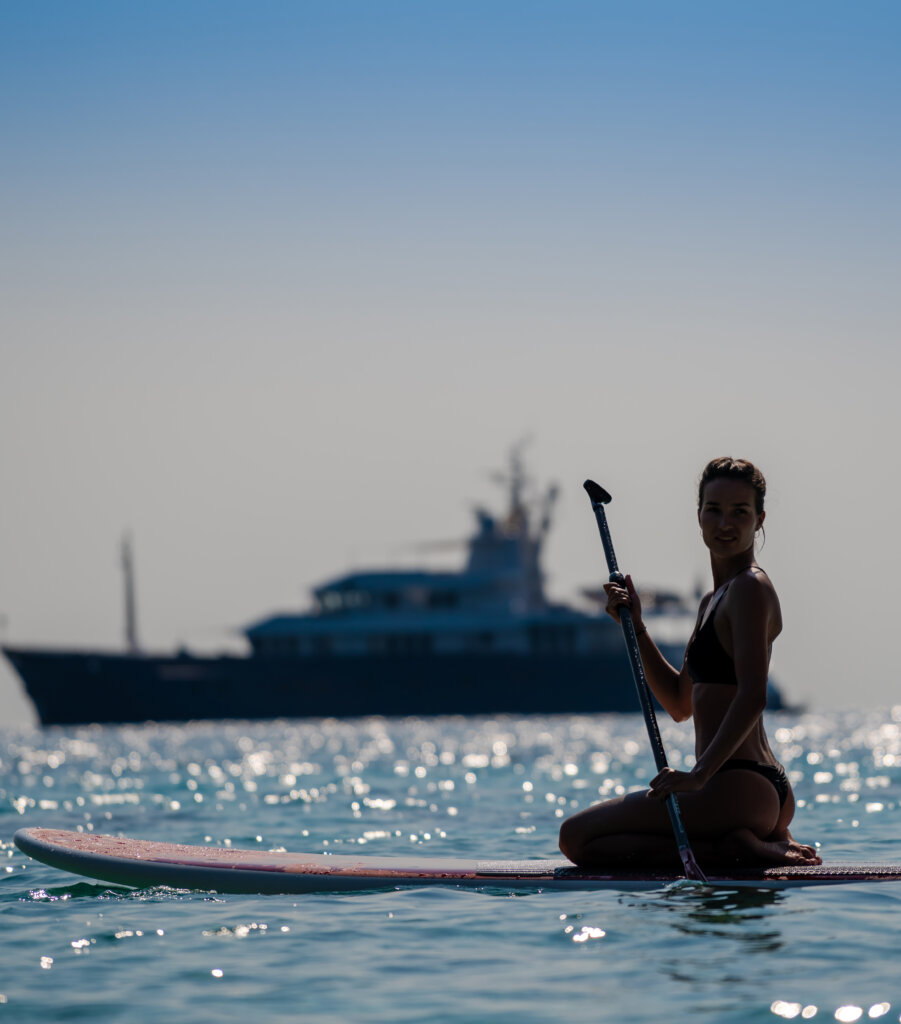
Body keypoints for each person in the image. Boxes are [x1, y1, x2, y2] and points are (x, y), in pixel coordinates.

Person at [558, 457, 820, 870]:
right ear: (698, 516)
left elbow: (753, 696)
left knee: (575, 838)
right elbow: (681, 704)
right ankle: (740, 840)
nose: (724, 524)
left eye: (740, 512)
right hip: (746, 790)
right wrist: (636, 628)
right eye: (713, 510)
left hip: (737, 786)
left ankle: (739, 846)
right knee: (598, 849)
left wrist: (698, 775)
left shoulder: (751, 587)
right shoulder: (710, 601)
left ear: (760, 520)